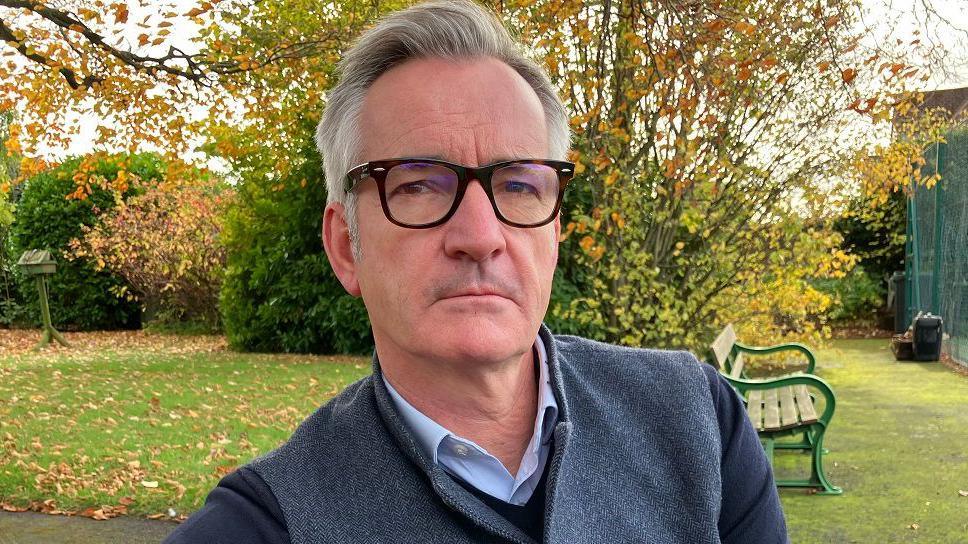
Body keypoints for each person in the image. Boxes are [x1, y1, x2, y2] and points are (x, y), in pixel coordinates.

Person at [164, 1, 787, 543]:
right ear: (346, 247)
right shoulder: (269, 523)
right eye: (416, 186)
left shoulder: (698, 420)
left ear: (554, 232)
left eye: (518, 185)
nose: (481, 237)